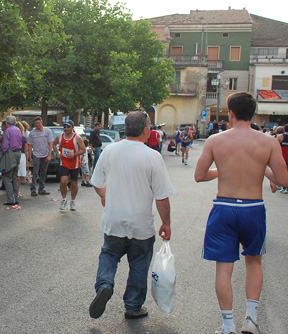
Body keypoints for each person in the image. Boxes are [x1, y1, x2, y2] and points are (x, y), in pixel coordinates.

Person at [194, 92, 288, 334]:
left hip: (224, 207)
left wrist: (223, 171)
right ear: (253, 113)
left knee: (224, 268)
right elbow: (283, 180)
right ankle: (251, 320)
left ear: (231, 113)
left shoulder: (215, 140)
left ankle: (227, 326)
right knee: (254, 261)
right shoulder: (269, 142)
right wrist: (264, 171)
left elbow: (200, 175)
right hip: (253, 208)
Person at [89, 110, 173, 320]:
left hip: (114, 219)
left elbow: (97, 184)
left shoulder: (109, 151)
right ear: (145, 131)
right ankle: (133, 305)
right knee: (139, 262)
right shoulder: (152, 156)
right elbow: (162, 196)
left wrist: (105, 196)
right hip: (140, 224)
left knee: (109, 254)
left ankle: (105, 284)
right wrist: (166, 223)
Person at [54, 120, 86, 211]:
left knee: (74, 183)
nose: (66, 128)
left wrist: (74, 154)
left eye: (68, 126)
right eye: (64, 126)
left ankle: (72, 201)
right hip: (64, 162)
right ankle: (64, 200)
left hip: (75, 163)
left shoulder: (77, 138)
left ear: (72, 128)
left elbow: (83, 150)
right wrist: (57, 152)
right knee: (63, 181)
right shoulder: (59, 137)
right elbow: (54, 144)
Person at [27, 116, 54, 197]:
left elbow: (50, 143)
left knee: (43, 172)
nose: (37, 125)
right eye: (36, 123)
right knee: (35, 172)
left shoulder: (48, 131)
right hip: (36, 154)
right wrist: (30, 157)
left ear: (41, 123)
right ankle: (33, 189)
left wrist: (49, 155)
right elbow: (30, 145)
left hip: (45, 154)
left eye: (38, 123)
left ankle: (41, 188)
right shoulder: (32, 133)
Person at [0, 116, 23, 206]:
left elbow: (5, 145)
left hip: (10, 153)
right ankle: (16, 197)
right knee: (15, 176)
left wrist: (2, 152)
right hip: (18, 153)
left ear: (7, 123)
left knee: (7, 176)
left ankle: (10, 199)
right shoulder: (18, 130)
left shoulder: (7, 130)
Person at [15, 122, 29, 198]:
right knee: (19, 175)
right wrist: (27, 160)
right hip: (22, 156)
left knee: (13, 174)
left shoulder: (13, 137)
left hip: (13, 155)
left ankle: (13, 191)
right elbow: (25, 150)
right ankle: (17, 191)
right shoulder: (23, 138)